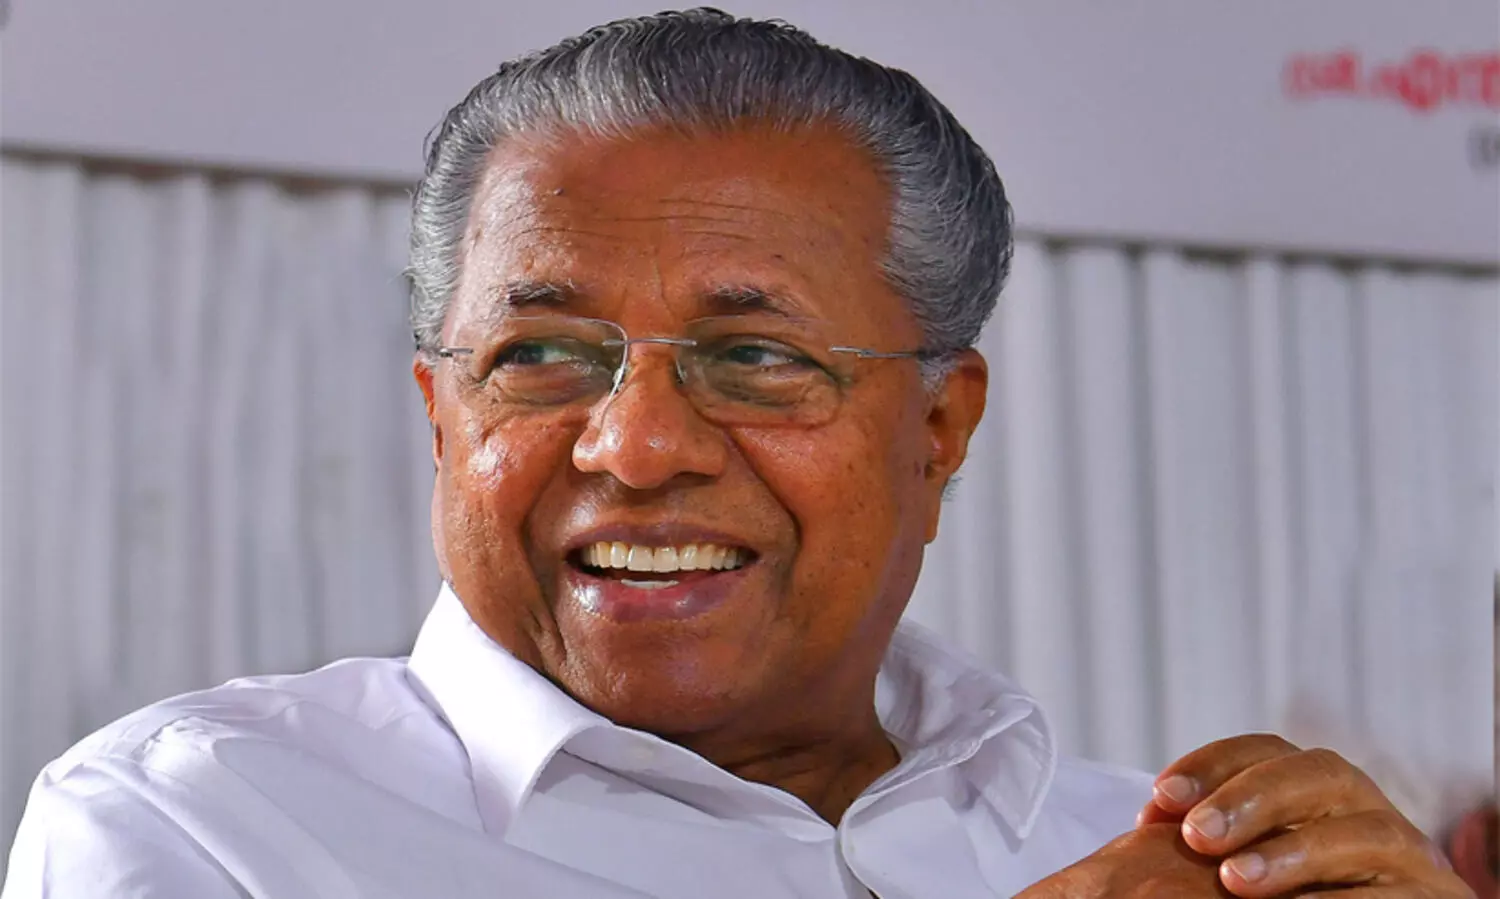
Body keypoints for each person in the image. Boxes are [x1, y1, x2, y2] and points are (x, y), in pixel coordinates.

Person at [1, 9, 1470, 898]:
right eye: (540, 356)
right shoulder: (204, 828)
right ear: (442, 416)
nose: (637, 447)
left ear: (941, 427)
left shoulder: (1135, 844)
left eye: (757, 359)